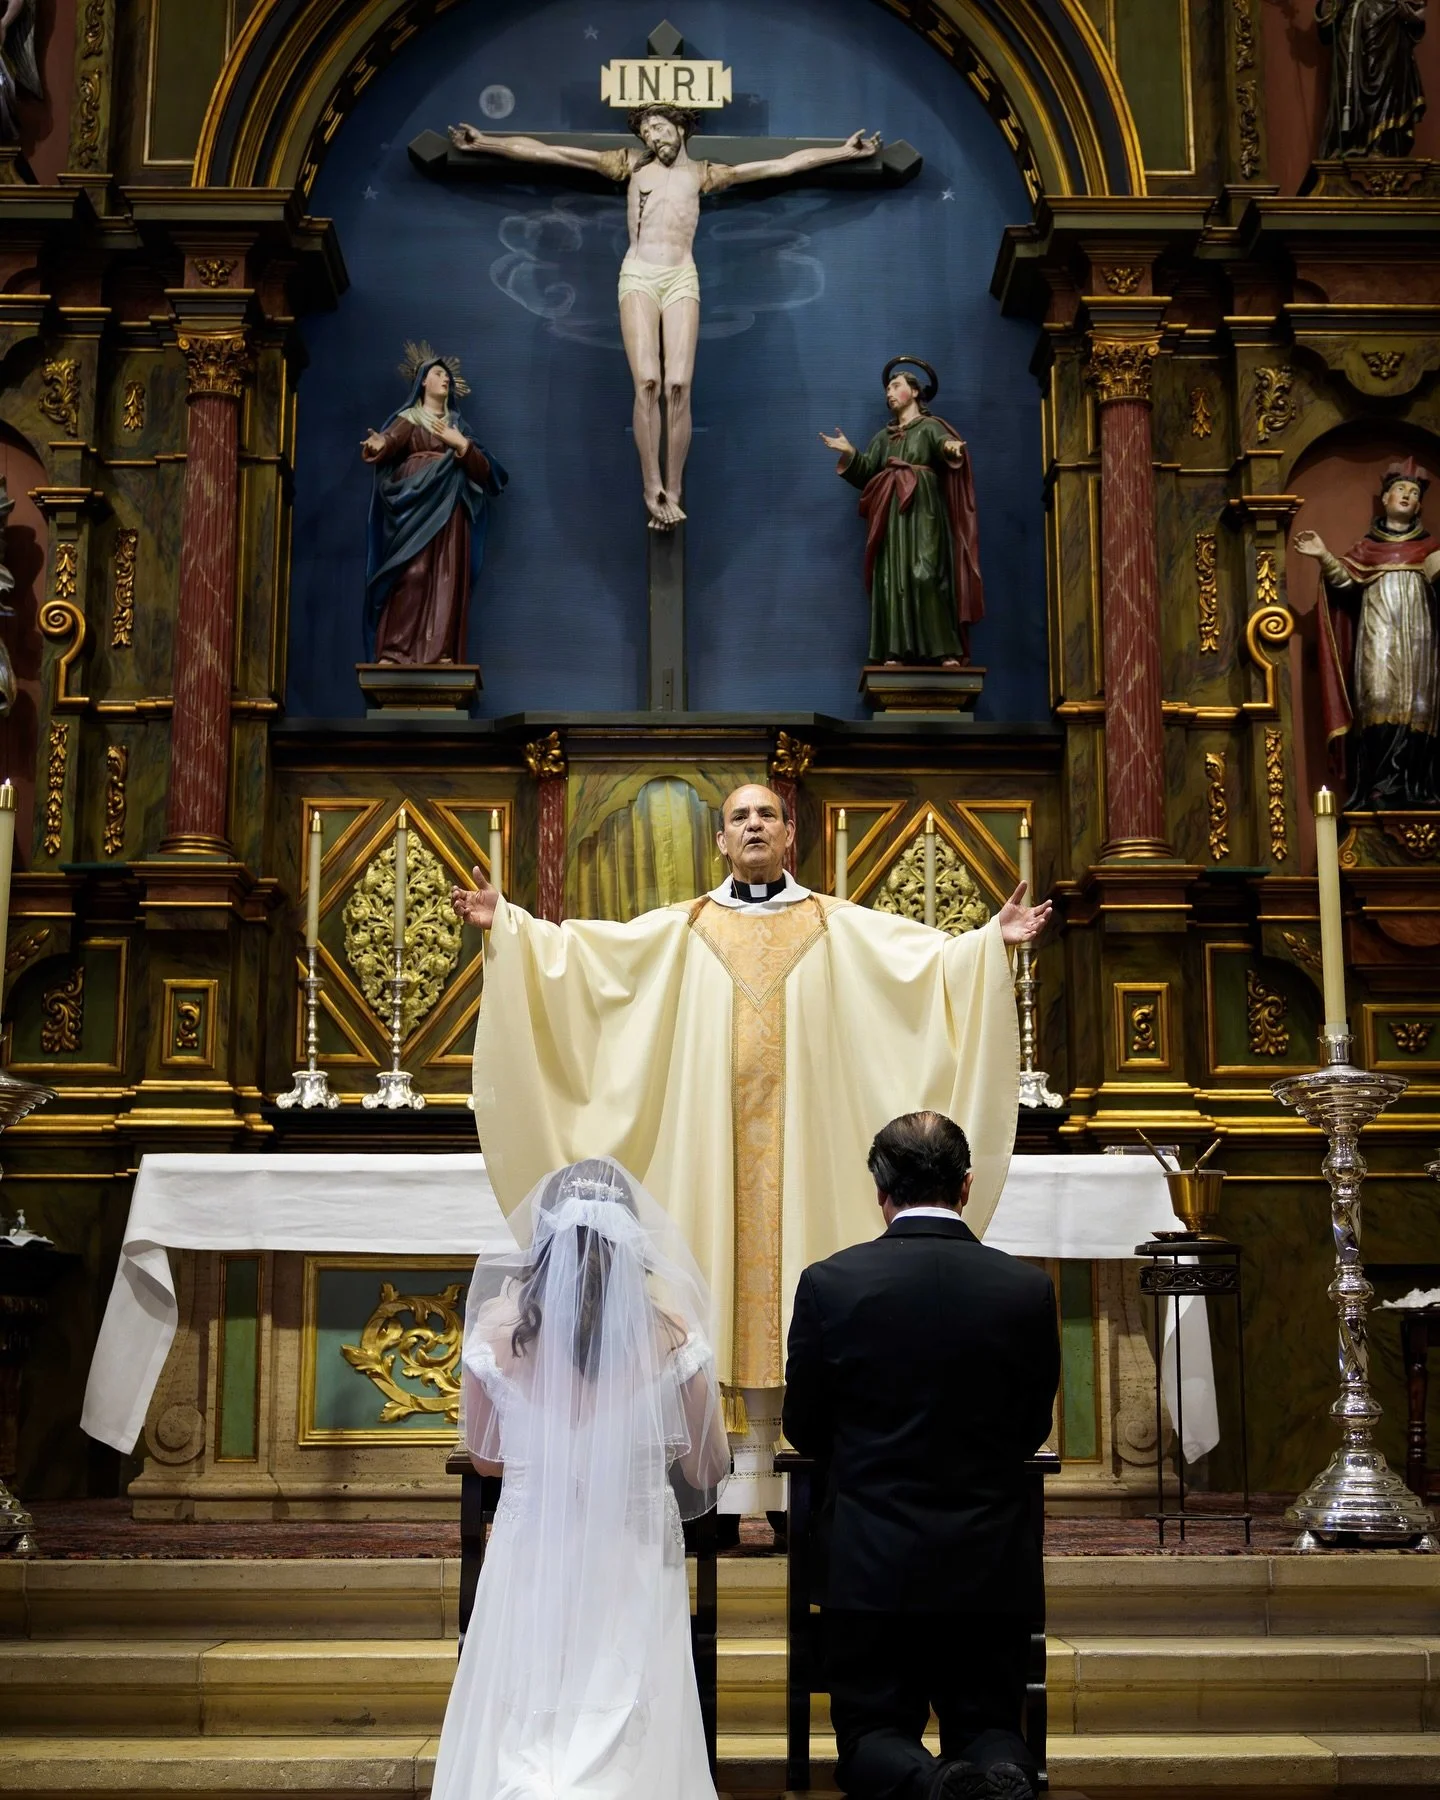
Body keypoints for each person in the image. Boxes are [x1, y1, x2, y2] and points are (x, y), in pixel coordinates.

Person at [451, 783, 1050, 1517]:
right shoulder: (682, 928)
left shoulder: (841, 926)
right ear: (721, 842)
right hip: (706, 1144)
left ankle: (777, 1462)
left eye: (768, 814)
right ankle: (727, 1464)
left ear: (791, 833)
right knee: (703, 1275)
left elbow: (925, 966)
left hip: (808, 1148)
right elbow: (584, 961)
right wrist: (507, 927)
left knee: (803, 1275)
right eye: (739, 817)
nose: (755, 825)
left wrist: (989, 945)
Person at [430, 1156, 730, 1800]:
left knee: (529, 1686)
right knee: (628, 1676)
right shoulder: (674, 1337)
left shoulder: (496, 1333)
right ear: (633, 1239)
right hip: (634, 1547)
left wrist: (557, 1459)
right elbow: (707, 1467)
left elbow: (486, 1457)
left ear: (543, 1237)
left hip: (534, 1538)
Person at [783, 1111, 1060, 1800]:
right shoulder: (1026, 1291)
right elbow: (1029, 1426)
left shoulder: (830, 1285)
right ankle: (993, 1781)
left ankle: (935, 1786)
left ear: (881, 1189)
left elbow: (805, 1427)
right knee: (995, 1725)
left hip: (871, 1564)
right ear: (966, 1187)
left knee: (872, 1734)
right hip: (989, 1563)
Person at [449, 106, 878, 530]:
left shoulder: (706, 174)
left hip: (681, 278)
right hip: (638, 275)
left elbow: (782, 166)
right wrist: (486, 142)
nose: (653, 137)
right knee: (648, 382)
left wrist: (844, 153)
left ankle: (673, 489)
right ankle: (650, 484)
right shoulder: (629, 164)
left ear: (680, 128)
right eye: (647, 133)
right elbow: (549, 153)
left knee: (678, 385)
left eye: (659, 128)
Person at [1296, 456, 1440, 808]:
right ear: (1386, 499)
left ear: (1419, 505)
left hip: (1420, 640)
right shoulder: (1366, 549)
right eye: (1399, 490)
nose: (1405, 496)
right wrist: (1323, 556)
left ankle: (1414, 785)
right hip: (1379, 636)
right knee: (1378, 699)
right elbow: (1345, 581)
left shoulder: (1431, 549)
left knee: (1418, 706)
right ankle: (1379, 783)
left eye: (1412, 493)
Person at [821, 357, 983, 667]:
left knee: (926, 573)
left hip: (924, 509)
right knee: (891, 579)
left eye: (895, 386)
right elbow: (868, 470)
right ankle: (893, 651)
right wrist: (850, 452)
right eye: (887, 389)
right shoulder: (884, 438)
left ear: (915, 391)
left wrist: (951, 448)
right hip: (891, 513)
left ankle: (945, 650)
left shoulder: (930, 426)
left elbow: (945, 444)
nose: (889, 393)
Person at [361, 350, 507, 665]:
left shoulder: (458, 426)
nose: (445, 379)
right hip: (413, 504)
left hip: (449, 506)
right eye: (438, 373)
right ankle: (395, 651)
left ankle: (441, 652)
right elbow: (388, 441)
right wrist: (378, 445)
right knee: (413, 572)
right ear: (423, 380)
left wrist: (461, 444)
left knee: (446, 577)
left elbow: (485, 472)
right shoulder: (409, 419)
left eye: (447, 376)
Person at [1316, 0, 1427, 159]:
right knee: (1346, 87)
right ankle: (1349, 142)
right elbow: (1327, 23)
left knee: (1385, 81)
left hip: (1388, 21)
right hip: (1353, 26)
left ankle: (1381, 143)